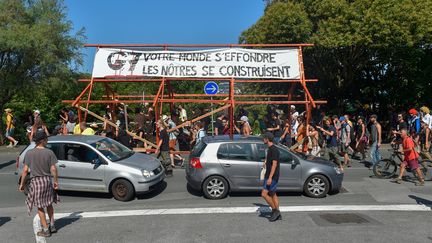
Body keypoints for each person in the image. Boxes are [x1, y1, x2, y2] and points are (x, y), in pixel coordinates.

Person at [19, 132, 59, 237]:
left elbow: (25, 170)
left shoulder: (29, 153)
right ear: (42, 140)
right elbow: (53, 169)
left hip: (36, 182)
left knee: (40, 207)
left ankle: (46, 230)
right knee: (49, 203)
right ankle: (53, 225)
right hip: (47, 180)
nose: (47, 141)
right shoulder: (49, 152)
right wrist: (55, 181)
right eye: (46, 139)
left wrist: (22, 183)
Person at [261, 132, 281, 222]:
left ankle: (275, 211)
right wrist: (265, 162)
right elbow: (271, 161)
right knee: (273, 194)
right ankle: (278, 213)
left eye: (264, 138)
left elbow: (274, 164)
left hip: (271, 176)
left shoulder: (273, 150)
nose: (263, 139)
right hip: (270, 175)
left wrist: (270, 178)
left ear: (267, 139)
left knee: (264, 194)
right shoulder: (270, 149)